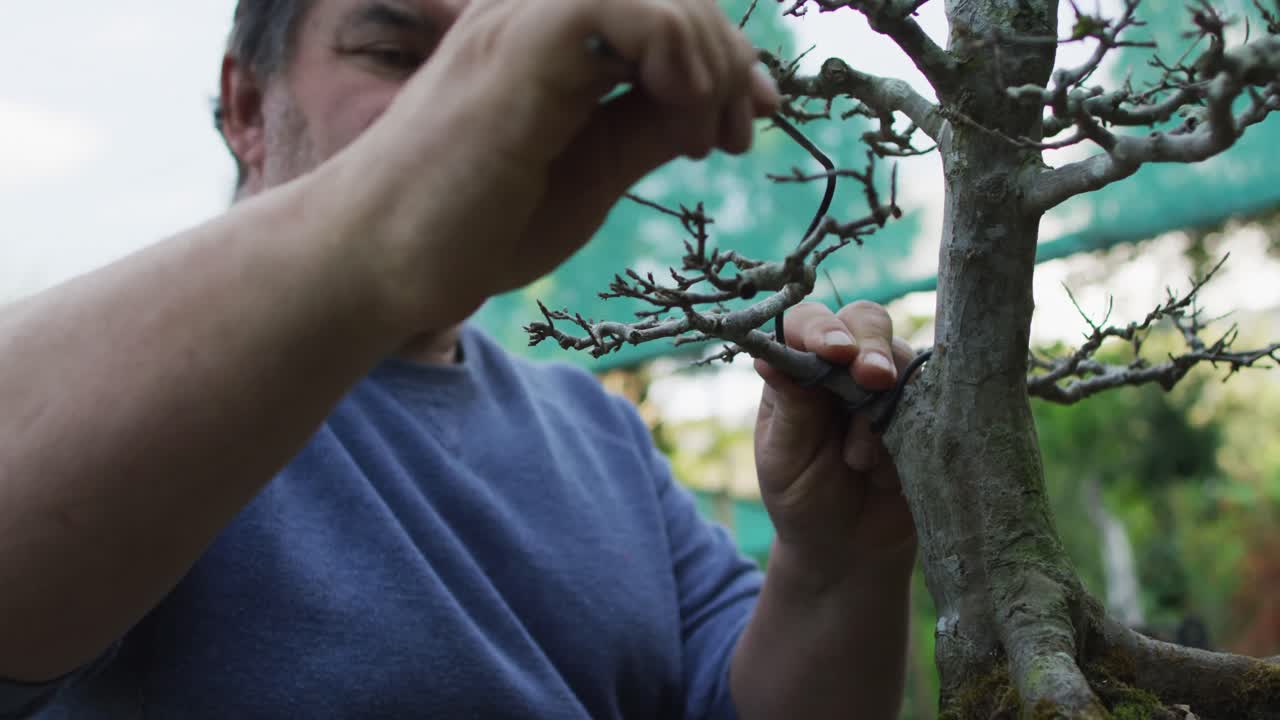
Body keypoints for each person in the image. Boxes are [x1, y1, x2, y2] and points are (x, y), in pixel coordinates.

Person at [0, 1, 919, 717]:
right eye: (397, 55)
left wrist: (833, 564)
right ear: (247, 106)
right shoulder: (122, 387)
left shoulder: (597, 430)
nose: (472, 103)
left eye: (495, 56)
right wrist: (382, 224)